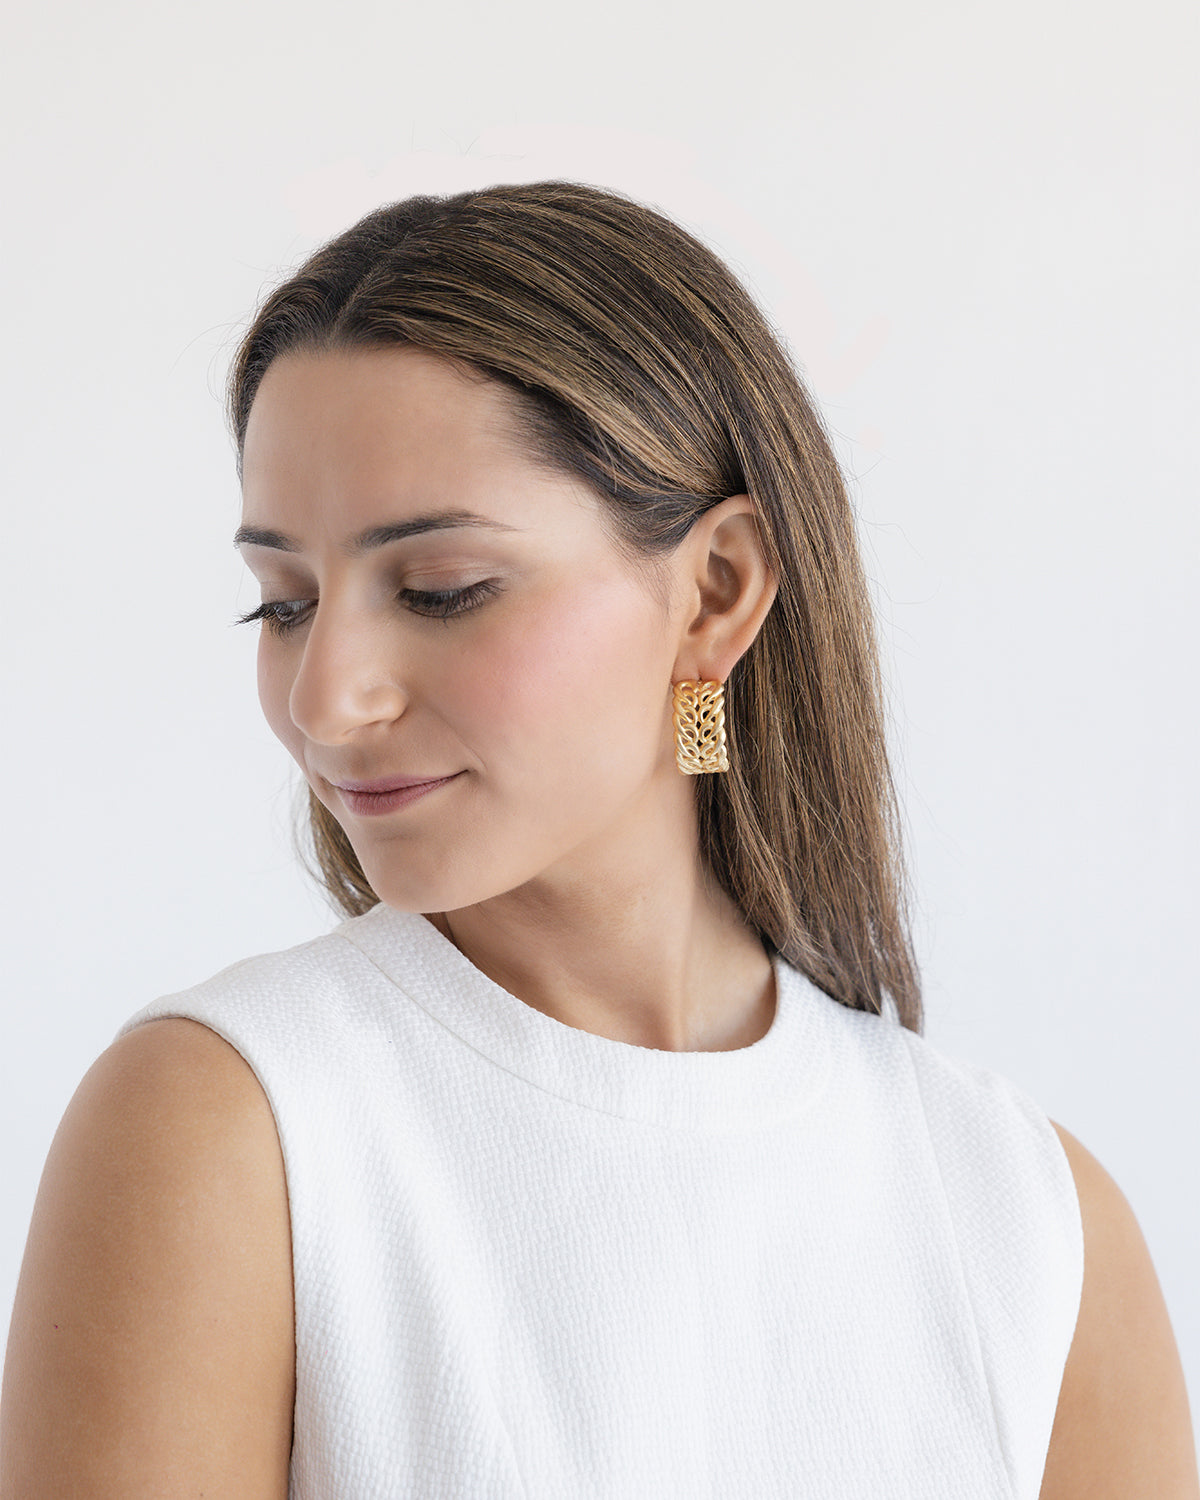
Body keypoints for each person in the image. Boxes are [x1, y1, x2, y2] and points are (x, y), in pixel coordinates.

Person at [1, 181, 1195, 1500]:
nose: (326, 699)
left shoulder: (1030, 1223)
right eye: (282, 604)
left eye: (441, 590)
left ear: (717, 592)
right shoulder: (230, 1132)